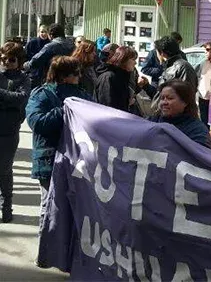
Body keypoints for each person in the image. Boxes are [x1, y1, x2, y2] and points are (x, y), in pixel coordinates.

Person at [26, 56, 90, 247]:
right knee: (50, 207)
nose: (79, 77)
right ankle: (45, 251)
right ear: (64, 76)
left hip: (77, 161)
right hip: (48, 160)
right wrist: (65, 108)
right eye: (76, 73)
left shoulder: (83, 95)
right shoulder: (42, 94)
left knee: (73, 208)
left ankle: (65, 253)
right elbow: (37, 122)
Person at [0, 42, 31, 223]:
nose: (6, 62)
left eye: (11, 59)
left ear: (19, 61)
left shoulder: (23, 79)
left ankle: (7, 206)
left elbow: (20, 99)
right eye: (3, 59)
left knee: (4, 170)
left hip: (9, 131)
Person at [150, 80, 211, 149]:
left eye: (170, 98)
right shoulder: (151, 121)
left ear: (185, 102)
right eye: (162, 98)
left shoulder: (196, 129)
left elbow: (203, 154)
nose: (164, 102)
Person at [25, 23, 75, 88]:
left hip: (53, 80)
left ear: (50, 35)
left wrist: (26, 65)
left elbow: (35, 61)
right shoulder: (72, 45)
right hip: (70, 78)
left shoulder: (51, 46)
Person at [94, 46, 137, 112]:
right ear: (123, 59)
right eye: (133, 59)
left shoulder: (123, 75)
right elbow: (106, 105)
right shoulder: (108, 77)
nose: (135, 63)